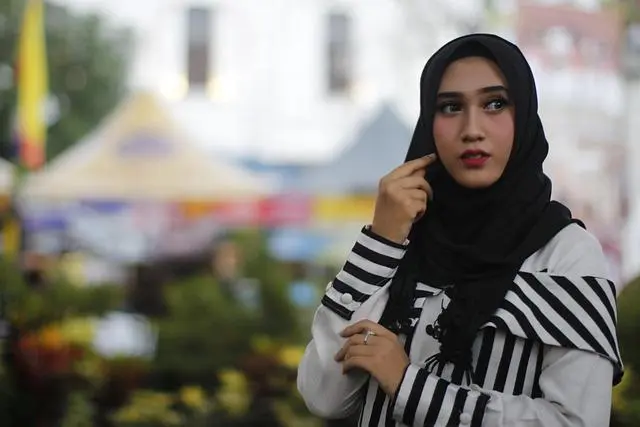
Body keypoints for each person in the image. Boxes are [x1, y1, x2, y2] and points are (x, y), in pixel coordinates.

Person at [297, 33, 622, 427]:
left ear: (524, 116)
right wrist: (380, 242)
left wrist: (410, 386)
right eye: (450, 107)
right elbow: (324, 397)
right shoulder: (403, 237)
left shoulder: (564, 254)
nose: (471, 129)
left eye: (495, 103)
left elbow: (577, 421)